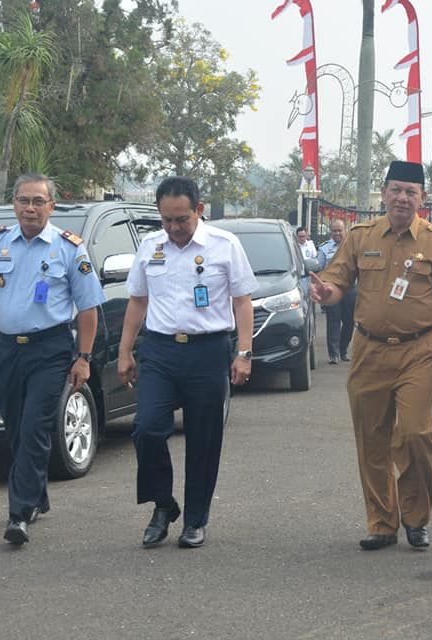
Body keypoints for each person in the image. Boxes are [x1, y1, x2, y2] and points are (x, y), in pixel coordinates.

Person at [310, 160, 432, 551]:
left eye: (410, 192)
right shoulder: (361, 236)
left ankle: (416, 518)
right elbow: (336, 280)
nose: (402, 197)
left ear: (423, 199)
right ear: (383, 194)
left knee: (415, 434)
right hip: (368, 350)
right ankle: (382, 523)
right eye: (395, 189)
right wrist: (326, 293)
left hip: (418, 350)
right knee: (372, 439)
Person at [0, 173, 105, 546]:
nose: (30, 209)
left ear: (51, 206)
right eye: (23, 201)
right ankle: (36, 496)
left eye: (38, 202)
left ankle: (18, 513)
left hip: (50, 349)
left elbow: (88, 309)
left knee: (34, 425)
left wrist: (84, 357)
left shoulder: (68, 249)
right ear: (13, 204)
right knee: (16, 426)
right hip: (7, 349)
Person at [118, 176, 257, 549]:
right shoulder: (150, 246)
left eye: (182, 219)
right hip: (160, 351)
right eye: (167, 220)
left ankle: (195, 519)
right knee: (146, 429)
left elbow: (242, 301)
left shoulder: (225, 246)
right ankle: (163, 505)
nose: (175, 228)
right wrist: (124, 351)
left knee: (203, 439)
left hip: (208, 351)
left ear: (199, 210)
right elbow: (137, 301)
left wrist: (244, 352)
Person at [317, 219, 356, 364]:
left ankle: (343, 350)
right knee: (333, 321)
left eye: (340, 230)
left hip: (350, 289)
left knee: (349, 322)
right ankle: (334, 354)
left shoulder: (353, 247)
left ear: (345, 230)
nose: (337, 233)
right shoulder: (324, 249)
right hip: (331, 289)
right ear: (330, 232)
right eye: (334, 231)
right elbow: (318, 267)